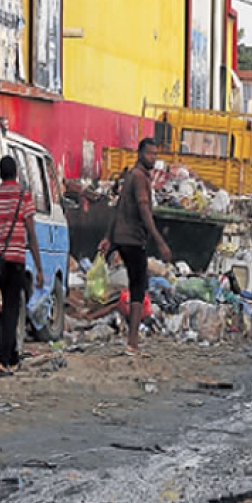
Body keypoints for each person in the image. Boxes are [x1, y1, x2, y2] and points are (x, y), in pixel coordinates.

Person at [99, 138, 172, 356]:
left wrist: (108, 237)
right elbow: (143, 210)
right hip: (133, 239)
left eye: (155, 154)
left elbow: (118, 208)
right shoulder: (140, 178)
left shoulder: (131, 175)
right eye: (149, 153)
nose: (153, 158)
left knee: (135, 285)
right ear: (140, 153)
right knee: (139, 288)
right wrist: (159, 240)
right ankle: (133, 342)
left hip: (122, 238)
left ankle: (132, 340)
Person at [0, 156, 44, 377]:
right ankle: (6, 360)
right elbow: (32, 233)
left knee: (6, 309)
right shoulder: (23, 196)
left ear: (0, 173)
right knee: (12, 310)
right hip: (17, 260)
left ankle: (10, 357)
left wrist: (0, 236)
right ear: (16, 172)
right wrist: (38, 268)